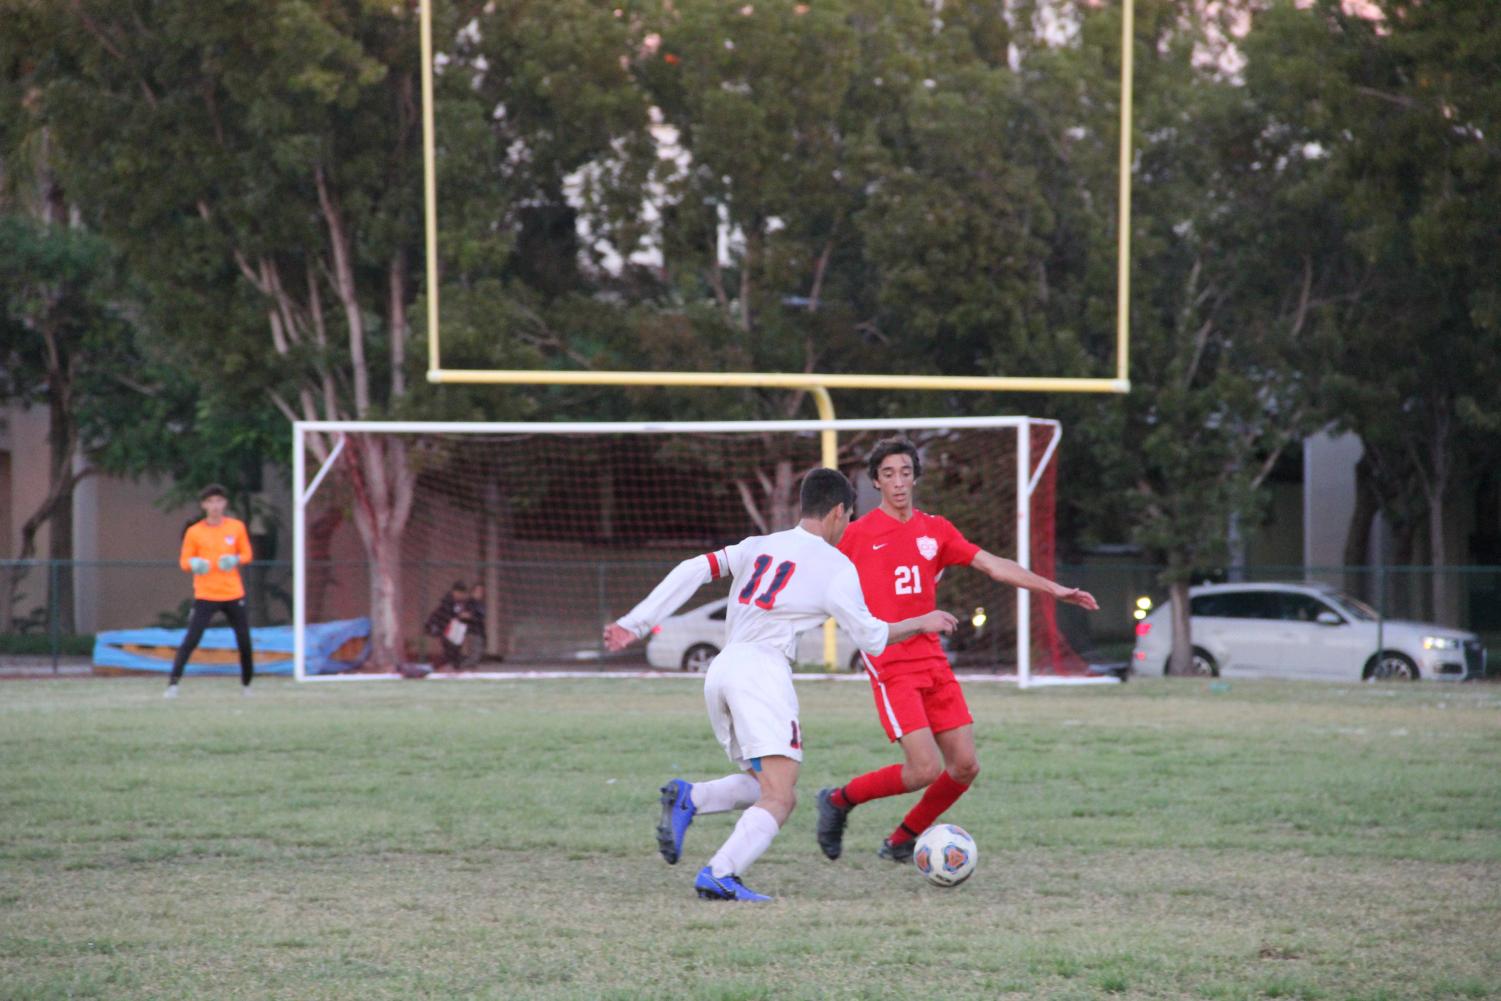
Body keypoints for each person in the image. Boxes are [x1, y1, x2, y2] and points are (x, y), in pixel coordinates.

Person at [603, 468, 957, 902]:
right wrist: (924, 620)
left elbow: (693, 568)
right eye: (847, 517)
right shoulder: (836, 566)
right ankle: (720, 873)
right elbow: (873, 637)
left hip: (723, 667)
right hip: (761, 674)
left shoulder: (761, 544)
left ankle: (691, 797)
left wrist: (634, 622)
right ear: (837, 512)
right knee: (781, 797)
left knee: (763, 783)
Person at [815, 437, 1100, 863]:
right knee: (924, 769)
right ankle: (839, 800)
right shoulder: (855, 535)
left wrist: (1053, 588)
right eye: (888, 474)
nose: (898, 482)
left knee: (964, 766)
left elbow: (993, 565)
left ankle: (902, 839)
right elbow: (807, 568)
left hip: (931, 657)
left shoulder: (936, 530)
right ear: (875, 482)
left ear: (915, 478)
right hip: (890, 661)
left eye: (906, 472)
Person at [165, 484, 255, 698]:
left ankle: (247, 685)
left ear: (225, 504)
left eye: (219, 501)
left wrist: (235, 559)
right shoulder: (195, 531)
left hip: (233, 593)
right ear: (204, 505)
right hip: (206, 594)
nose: (215, 506)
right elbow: (184, 561)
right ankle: (173, 684)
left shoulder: (236, 527)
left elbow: (247, 554)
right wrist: (196, 564)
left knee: (244, 639)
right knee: (192, 638)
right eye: (210, 502)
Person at [425, 581, 479, 672]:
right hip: (443, 627)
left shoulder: (458, 603)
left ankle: (453, 667)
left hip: (452, 629)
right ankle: (434, 668)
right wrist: (460, 615)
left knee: (454, 650)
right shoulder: (448, 601)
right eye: (461, 593)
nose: (462, 596)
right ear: (455, 592)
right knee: (450, 650)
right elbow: (447, 615)